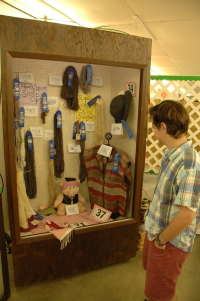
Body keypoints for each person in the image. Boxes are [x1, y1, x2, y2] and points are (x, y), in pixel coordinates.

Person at [143, 100, 200, 301]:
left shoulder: (188, 163)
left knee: (161, 295)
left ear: (163, 127)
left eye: (153, 125)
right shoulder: (171, 154)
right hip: (156, 232)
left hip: (169, 242)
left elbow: (186, 216)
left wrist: (161, 240)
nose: (152, 129)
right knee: (156, 290)